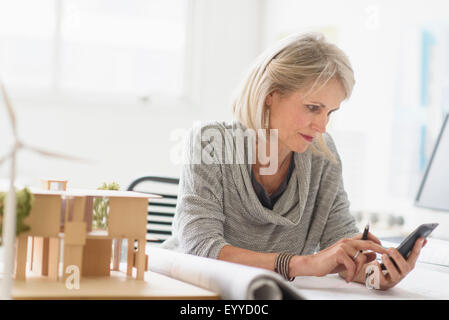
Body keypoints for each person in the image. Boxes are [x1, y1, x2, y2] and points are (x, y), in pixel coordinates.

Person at [161, 33, 426, 290]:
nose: (322, 126)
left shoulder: (323, 155)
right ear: (269, 96)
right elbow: (199, 248)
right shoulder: (210, 141)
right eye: (313, 108)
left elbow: (340, 247)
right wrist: (301, 264)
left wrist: (374, 274)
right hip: (191, 290)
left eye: (329, 113)